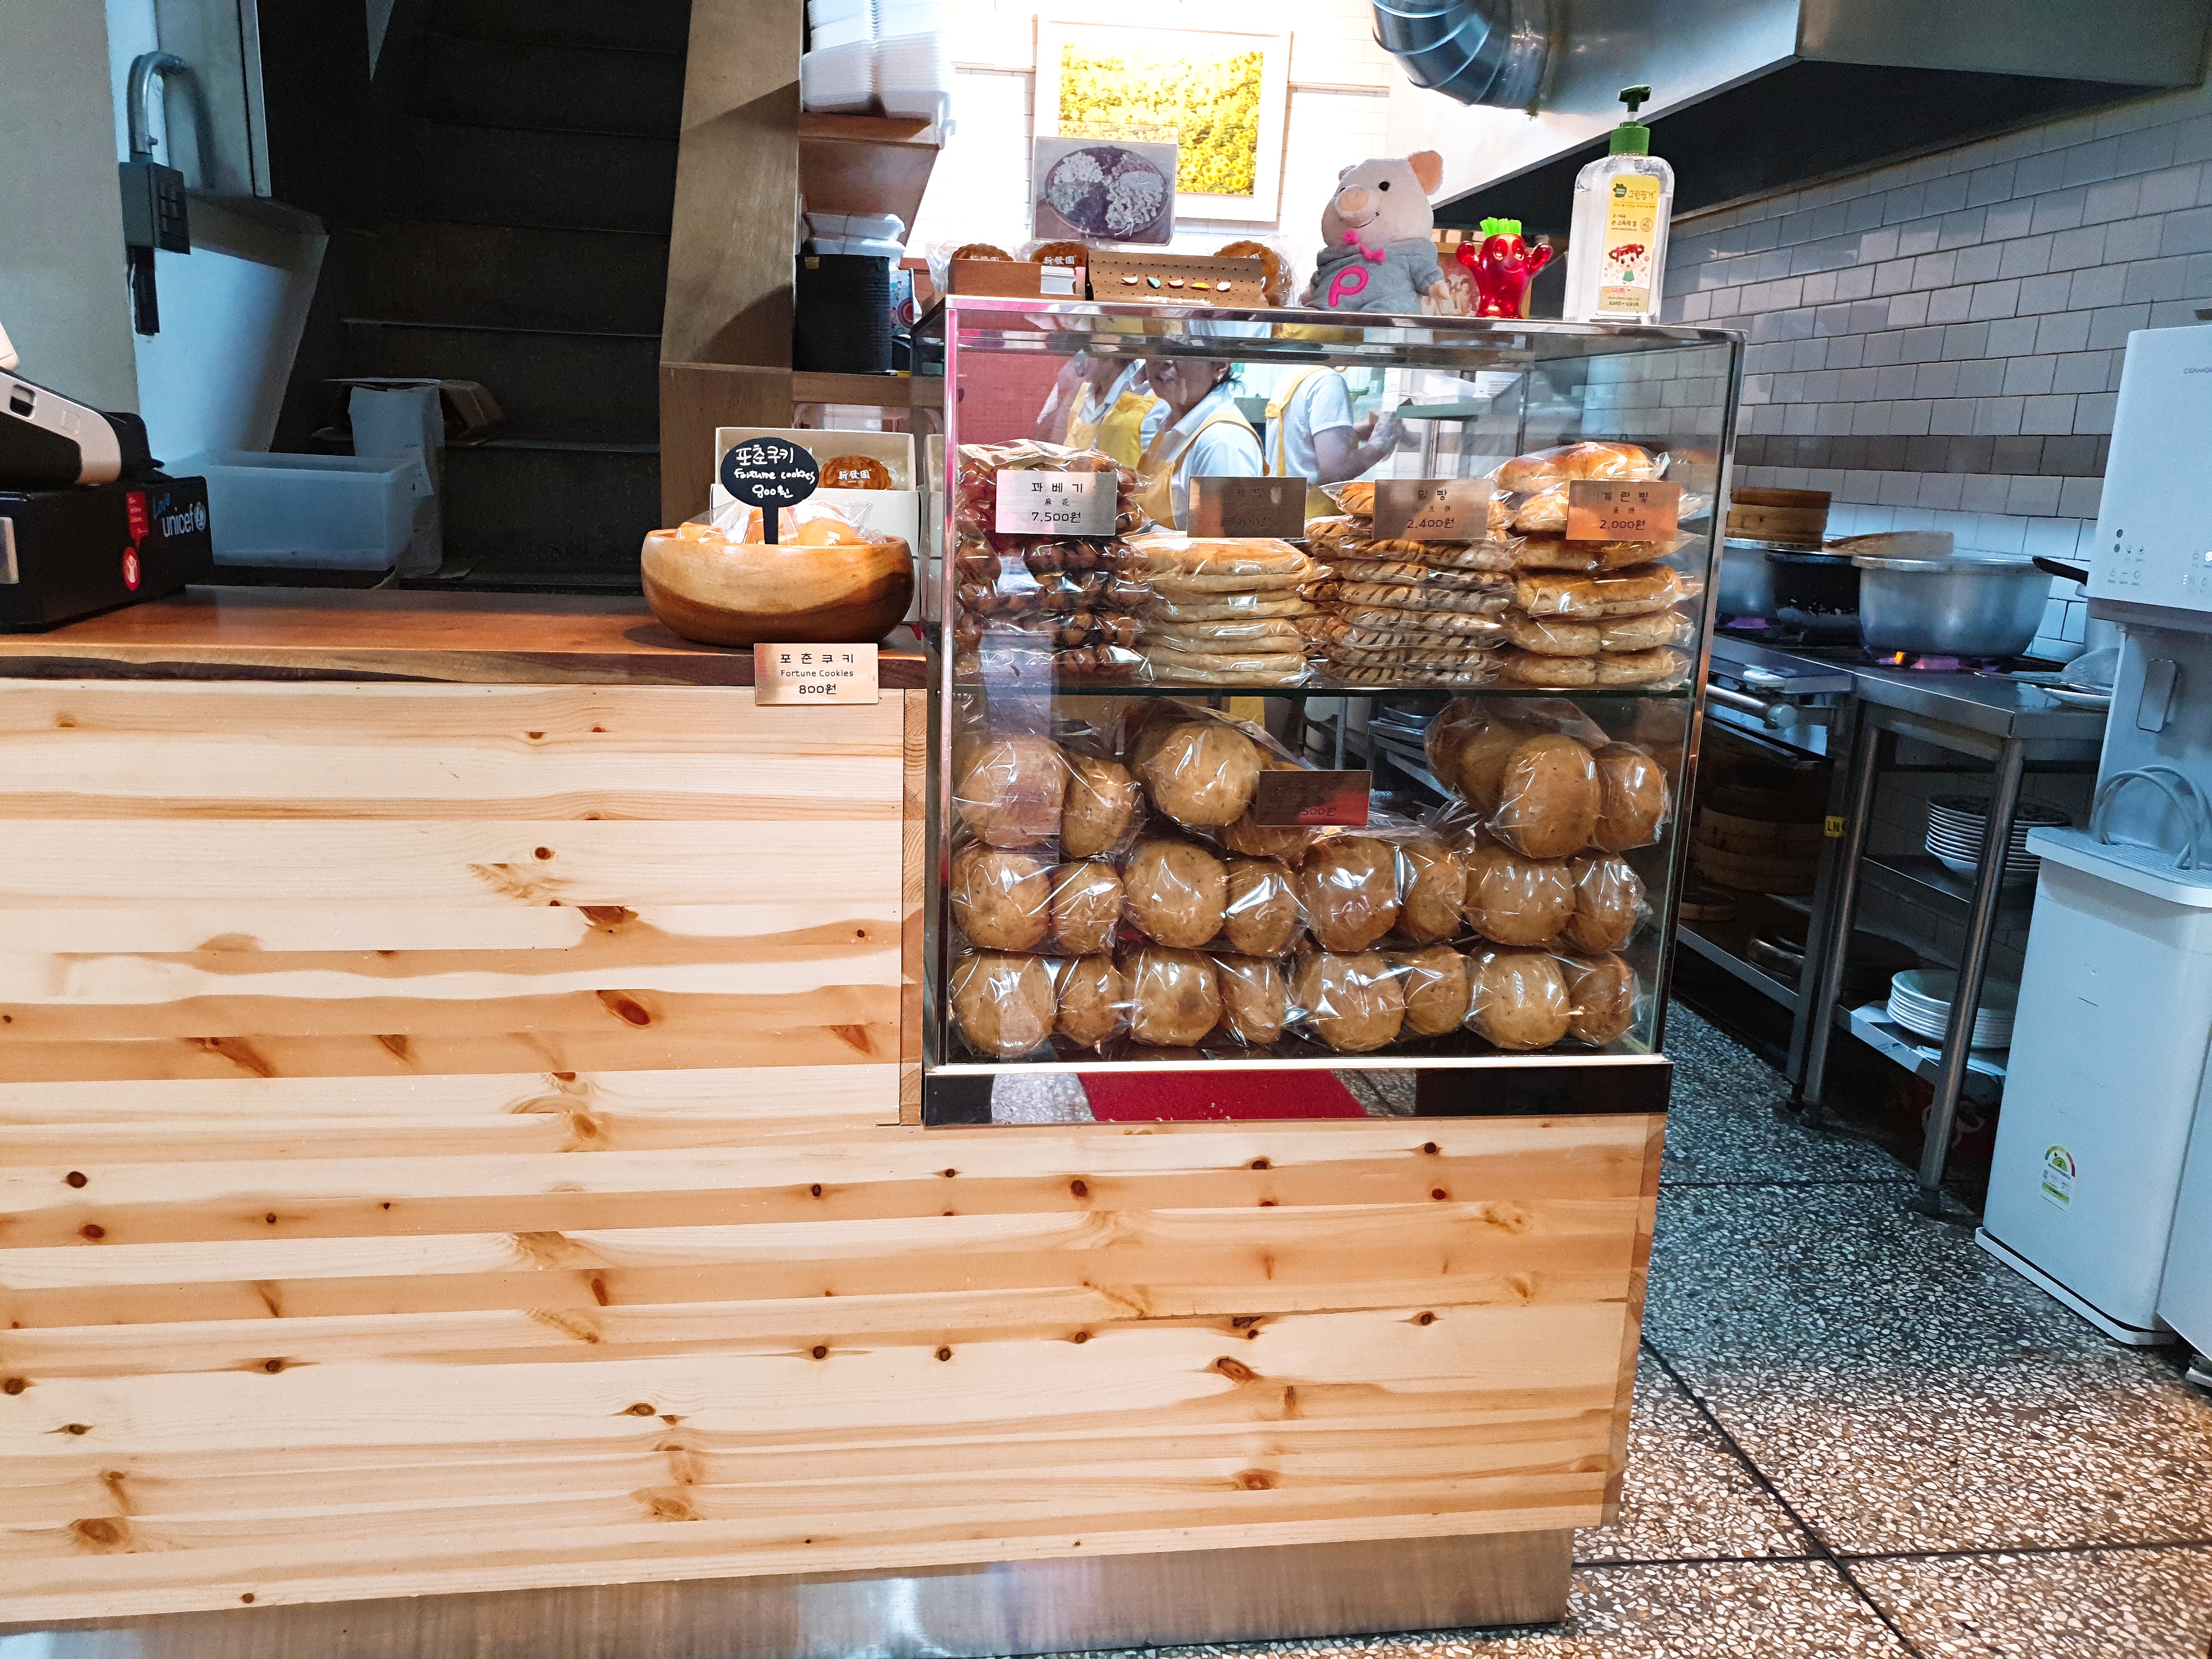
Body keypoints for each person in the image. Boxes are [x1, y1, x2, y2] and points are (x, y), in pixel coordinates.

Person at [1134, 357, 1265, 531]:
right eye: (1158, 348)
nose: (1165, 360)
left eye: (1183, 352)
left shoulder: (1222, 441)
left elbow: (1223, 543)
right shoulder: (1167, 422)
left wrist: (1144, 528)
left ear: (1220, 366)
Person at [1265, 366, 1404, 517]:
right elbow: (1336, 471)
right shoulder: (1327, 381)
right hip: (1314, 518)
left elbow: (1299, 437)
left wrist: (1352, 433)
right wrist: (1380, 444)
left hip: (1284, 512)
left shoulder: (1294, 375)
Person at [1033, 351, 1163, 469]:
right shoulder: (1081, 389)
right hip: (1073, 484)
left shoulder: (1147, 396)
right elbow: (1047, 442)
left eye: (1088, 351)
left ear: (1112, 354)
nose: (1078, 360)